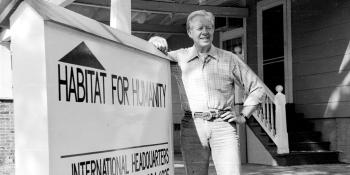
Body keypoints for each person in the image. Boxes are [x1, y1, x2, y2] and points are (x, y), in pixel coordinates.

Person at [149, 10, 266, 175]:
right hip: (192, 127)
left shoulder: (229, 58)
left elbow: (257, 88)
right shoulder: (179, 57)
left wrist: (243, 116)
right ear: (190, 32)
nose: (205, 32)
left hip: (223, 126)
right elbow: (153, 56)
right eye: (199, 28)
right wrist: (154, 40)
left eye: (209, 27)